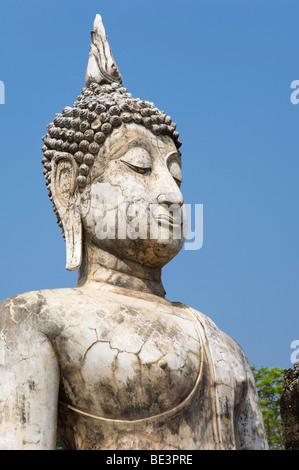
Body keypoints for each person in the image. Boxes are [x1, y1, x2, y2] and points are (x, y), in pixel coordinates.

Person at [0, 15, 268, 450]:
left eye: (176, 175)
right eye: (140, 166)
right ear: (71, 187)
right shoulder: (33, 320)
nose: (171, 195)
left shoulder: (225, 347)